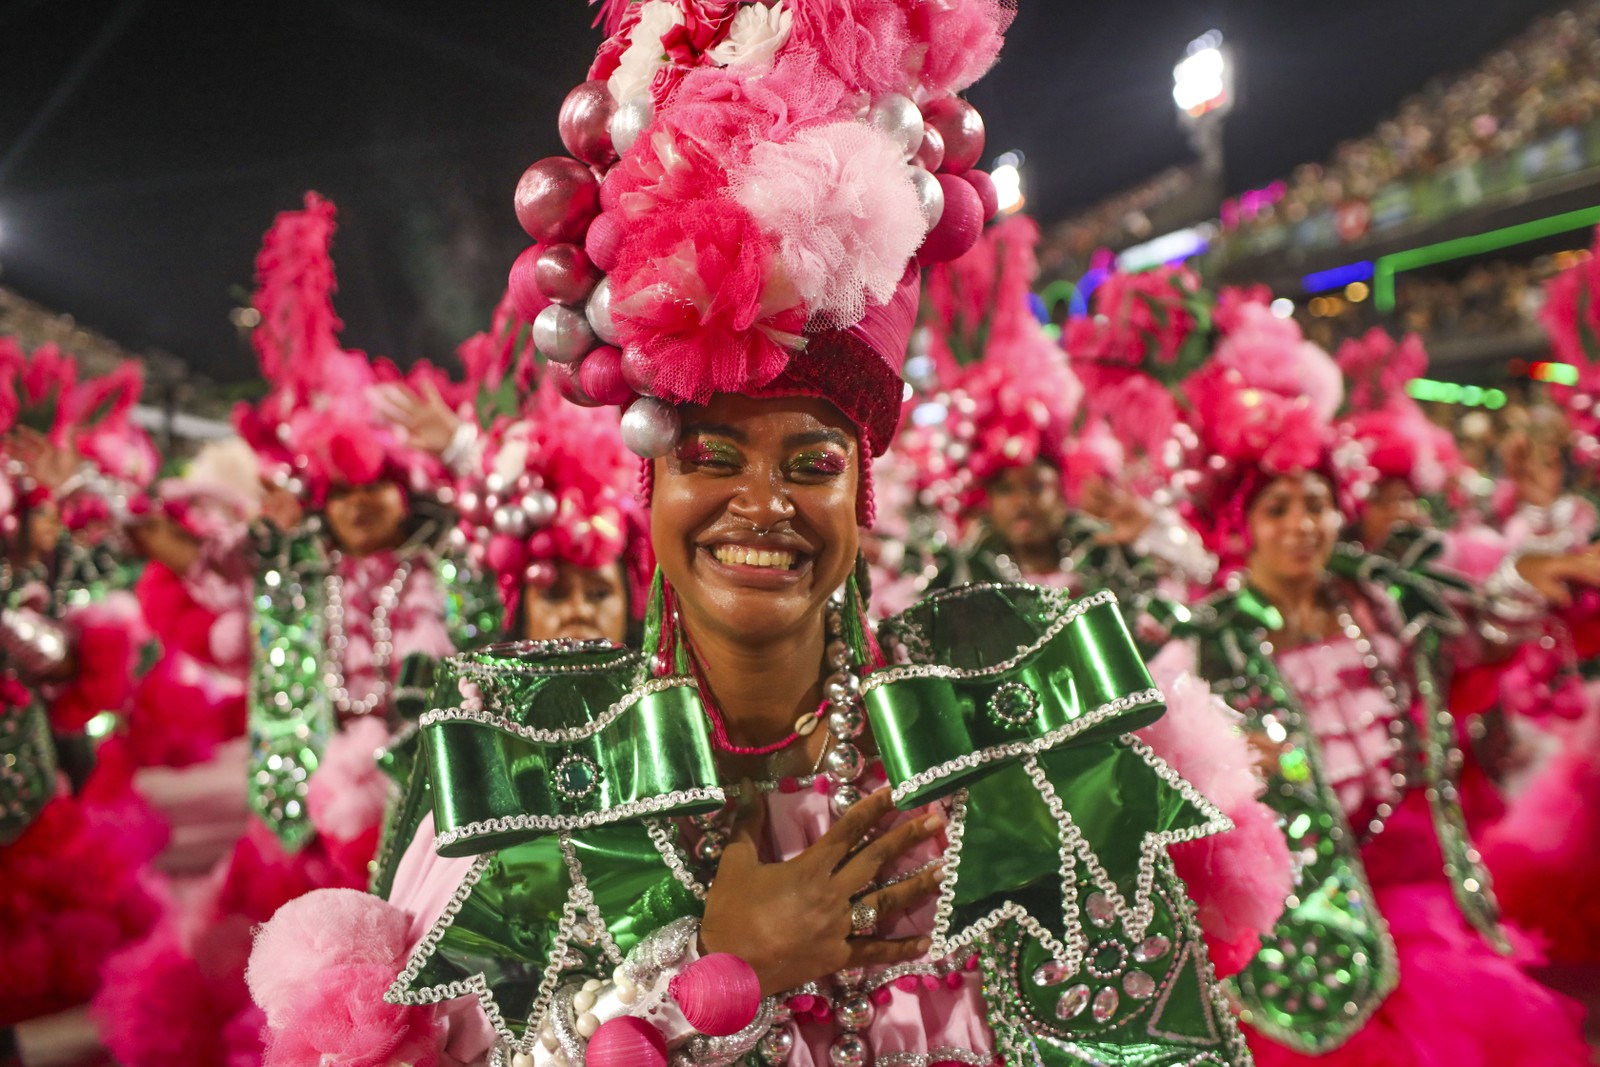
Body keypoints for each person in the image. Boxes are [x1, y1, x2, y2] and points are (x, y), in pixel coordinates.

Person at [244, 4, 1275, 1065]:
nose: (763, 502)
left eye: (813, 463)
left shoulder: (1012, 740)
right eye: (711, 456)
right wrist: (707, 977)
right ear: (649, 487)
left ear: (863, 495)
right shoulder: (524, 782)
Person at [92, 193, 500, 1067]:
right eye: (342, 492)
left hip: (426, 814)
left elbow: (521, 518)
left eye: (375, 487)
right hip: (303, 816)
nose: (360, 507)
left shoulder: (455, 557)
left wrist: (464, 448)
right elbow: (188, 552)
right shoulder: (285, 564)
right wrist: (115, 489)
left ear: (407, 486)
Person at [1172, 325, 1595, 1066]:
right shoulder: (1212, 637)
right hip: (1308, 922)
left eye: (1316, 504)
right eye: (1278, 509)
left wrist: (1534, 576)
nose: (1303, 525)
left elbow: (1483, 627)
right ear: (1240, 524)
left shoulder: (1384, 598)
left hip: (1421, 887)